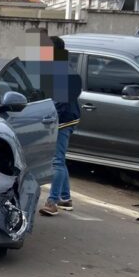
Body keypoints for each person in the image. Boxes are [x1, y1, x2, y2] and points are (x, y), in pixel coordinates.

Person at [39, 35, 81, 216]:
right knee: (59, 159)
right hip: (64, 118)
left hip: (63, 120)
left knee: (56, 161)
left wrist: (46, 115)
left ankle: (52, 201)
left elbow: (60, 102)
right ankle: (65, 198)